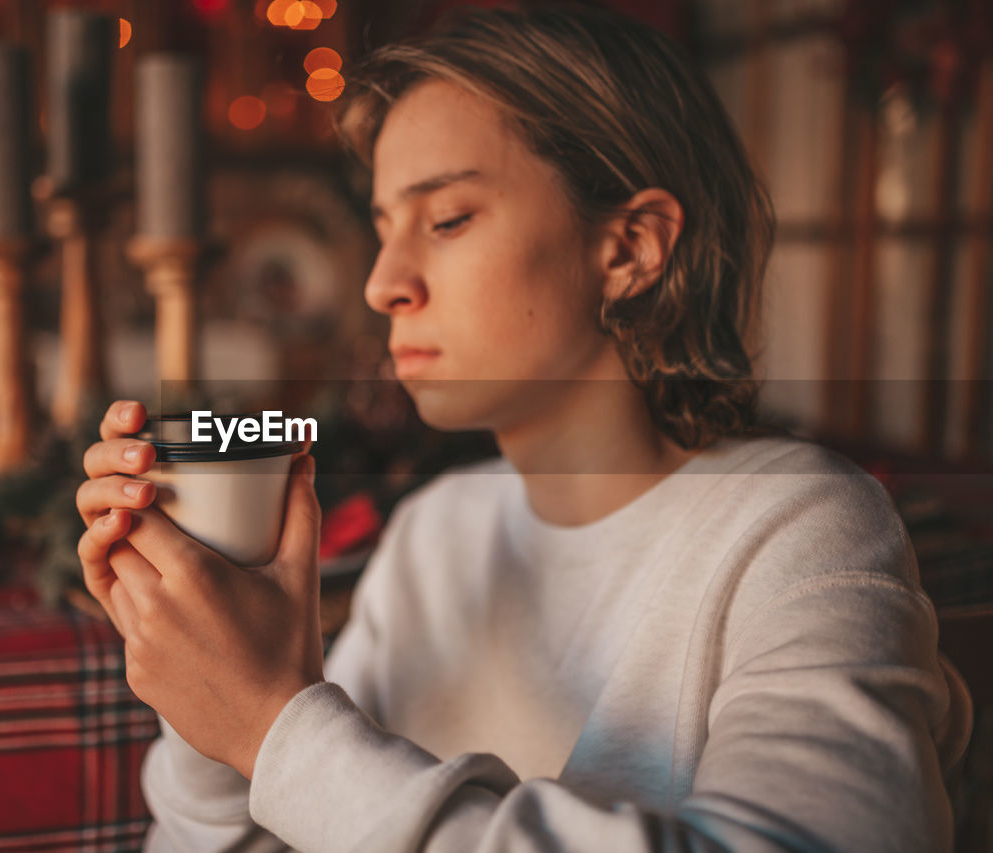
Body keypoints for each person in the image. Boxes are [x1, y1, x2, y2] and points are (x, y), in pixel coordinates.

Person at [75, 5, 972, 850]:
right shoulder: (438, 530)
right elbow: (298, 811)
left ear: (627, 249)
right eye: (385, 227)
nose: (382, 283)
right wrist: (212, 704)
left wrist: (277, 723)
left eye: (450, 218)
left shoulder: (796, 525)